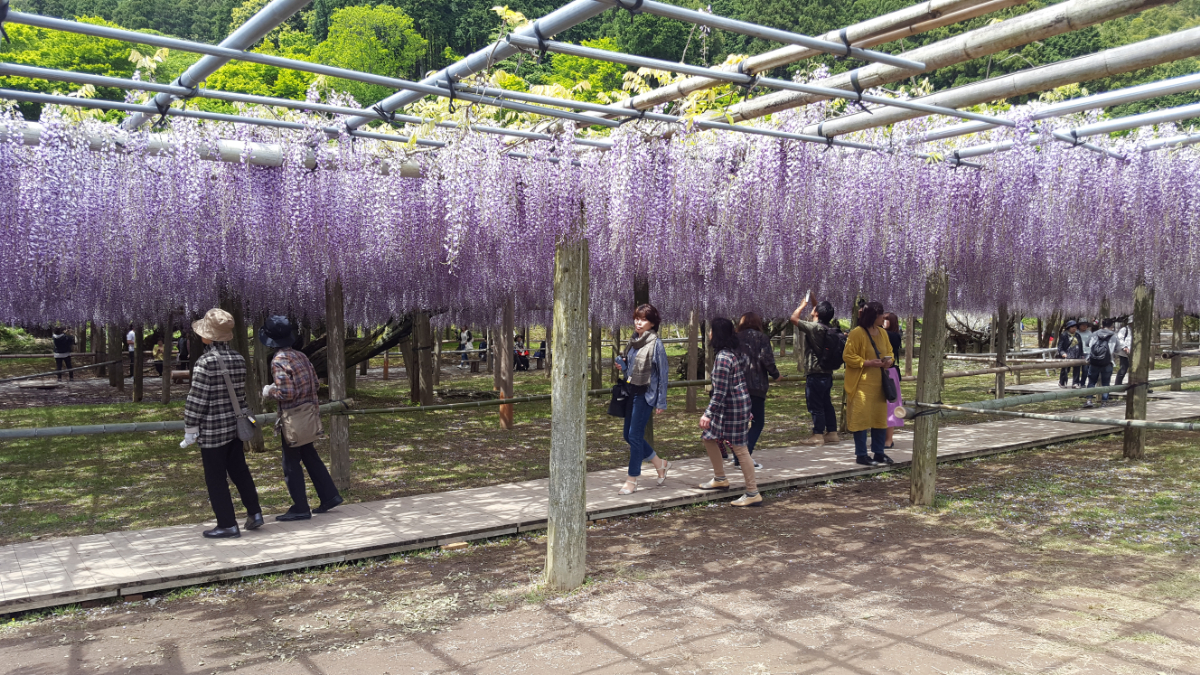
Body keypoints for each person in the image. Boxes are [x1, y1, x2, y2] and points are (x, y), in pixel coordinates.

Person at [181, 308, 264, 539]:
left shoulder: (204, 362)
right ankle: (255, 513)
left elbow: (197, 399)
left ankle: (227, 524)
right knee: (240, 471)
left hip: (213, 431)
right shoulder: (239, 359)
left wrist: (190, 426)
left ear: (208, 336)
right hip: (235, 427)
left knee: (216, 478)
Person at [259, 316, 343, 521]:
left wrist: (269, 392)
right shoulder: (301, 356)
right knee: (309, 454)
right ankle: (329, 495)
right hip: (308, 414)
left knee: (290, 463)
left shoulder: (279, 360)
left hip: (292, 418)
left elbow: (286, 393)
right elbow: (315, 383)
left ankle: (300, 507)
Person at [697, 317, 761, 507]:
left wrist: (707, 413)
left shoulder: (724, 357)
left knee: (740, 449)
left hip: (733, 408)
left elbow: (720, 392)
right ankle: (720, 478)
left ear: (717, 334)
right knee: (709, 437)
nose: (708, 334)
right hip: (733, 407)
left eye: (711, 331)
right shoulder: (731, 353)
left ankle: (752, 492)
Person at [613, 304, 671, 495]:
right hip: (631, 391)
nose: (639, 322)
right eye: (637, 318)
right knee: (626, 435)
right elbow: (631, 368)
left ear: (652, 323)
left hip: (646, 394)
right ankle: (660, 463)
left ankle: (632, 480)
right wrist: (622, 366)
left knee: (635, 436)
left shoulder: (656, 344)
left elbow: (663, 375)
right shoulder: (633, 342)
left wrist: (661, 402)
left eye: (644, 319)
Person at [843, 301, 895, 466]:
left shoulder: (882, 333)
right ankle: (861, 454)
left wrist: (889, 361)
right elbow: (848, 356)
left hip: (880, 383)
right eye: (881, 315)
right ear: (874, 316)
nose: (883, 318)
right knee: (861, 419)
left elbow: (890, 352)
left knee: (879, 419)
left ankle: (879, 452)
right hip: (862, 384)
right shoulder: (857, 333)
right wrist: (866, 363)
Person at [790, 297, 843, 447]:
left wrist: (801, 306)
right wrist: (813, 298)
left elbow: (793, 319)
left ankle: (817, 435)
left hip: (815, 373)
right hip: (827, 373)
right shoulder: (828, 327)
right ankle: (832, 433)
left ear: (817, 313)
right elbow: (819, 311)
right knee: (827, 403)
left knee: (815, 405)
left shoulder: (814, 328)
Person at [735, 312, 779, 469]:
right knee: (757, 422)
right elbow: (766, 359)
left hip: (737, 386)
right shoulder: (762, 338)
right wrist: (776, 375)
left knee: (739, 423)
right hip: (756, 386)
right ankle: (744, 457)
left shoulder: (735, 338)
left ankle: (738, 457)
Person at [1084, 318, 1118, 408]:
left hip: (1094, 362)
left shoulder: (1094, 334)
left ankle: (1089, 400)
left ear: (1102, 325)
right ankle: (1104, 402)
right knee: (1106, 383)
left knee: (1091, 382)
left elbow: (1087, 344)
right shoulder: (1113, 336)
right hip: (1108, 362)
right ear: (1112, 326)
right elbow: (1118, 349)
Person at [882, 313, 905, 449]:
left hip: (890, 373)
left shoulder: (894, 336)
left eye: (886, 320)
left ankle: (889, 439)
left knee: (890, 406)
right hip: (879, 371)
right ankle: (881, 437)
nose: (883, 322)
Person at [1057, 320, 1084, 388]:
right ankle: (1062, 382)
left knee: (1077, 369)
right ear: (1068, 328)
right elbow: (1060, 346)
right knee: (1065, 369)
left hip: (1077, 354)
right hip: (1067, 354)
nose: (1074, 328)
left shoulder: (1077, 335)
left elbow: (1081, 346)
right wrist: (1062, 353)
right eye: (1072, 327)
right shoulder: (1064, 335)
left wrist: (1082, 354)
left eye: (1075, 327)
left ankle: (1075, 383)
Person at [1115, 321, 1132, 385]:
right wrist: (1124, 347)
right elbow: (1120, 339)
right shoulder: (1124, 329)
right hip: (1124, 353)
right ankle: (1118, 384)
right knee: (1123, 369)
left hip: (1134, 353)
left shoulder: (1137, 330)